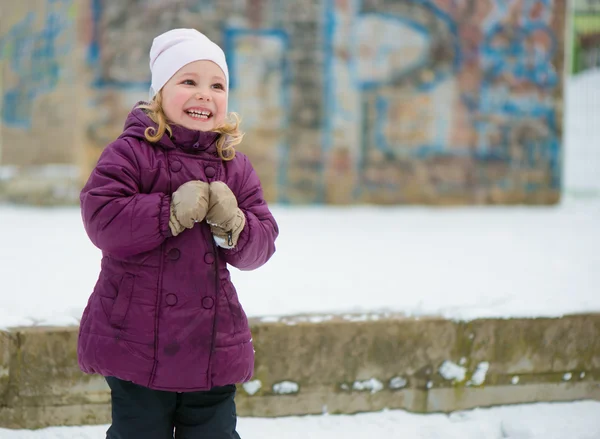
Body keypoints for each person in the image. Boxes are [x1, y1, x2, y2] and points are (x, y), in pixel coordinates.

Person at [78, 28, 279, 439]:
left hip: (211, 342)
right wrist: (167, 212)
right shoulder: (130, 152)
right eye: (189, 81)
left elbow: (262, 244)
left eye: (217, 85)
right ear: (159, 94)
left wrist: (235, 225)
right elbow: (102, 218)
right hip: (136, 337)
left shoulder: (233, 165)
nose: (205, 94)